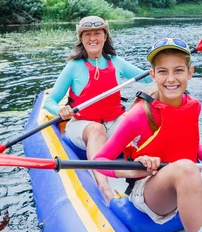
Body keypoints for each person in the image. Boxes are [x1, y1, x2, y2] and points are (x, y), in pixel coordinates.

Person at [94, 37, 202, 232]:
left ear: (190, 73)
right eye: (163, 71)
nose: (171, 79)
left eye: (178, 70)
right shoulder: (139, 115)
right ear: (153, 75)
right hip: (151, 191)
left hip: (189, 179)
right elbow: (99, 161)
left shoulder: (193, 105)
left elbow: (190, 142)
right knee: (186, 168)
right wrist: (132, 171)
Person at [44, 16, 151, 201]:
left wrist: (163, 68)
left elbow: (149, 78)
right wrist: (60, 111)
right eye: (87, 35)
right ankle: (105, 189)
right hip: (83, 126)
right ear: (81, 39)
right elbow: (50, 101)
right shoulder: (73, 66)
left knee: (140, 122)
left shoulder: (116, 62)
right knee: (97, 129)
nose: (92, 38)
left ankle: (150, 176)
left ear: (104, 37)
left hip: (114, 122)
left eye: (97, 34)